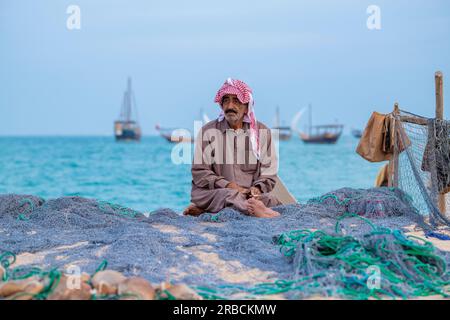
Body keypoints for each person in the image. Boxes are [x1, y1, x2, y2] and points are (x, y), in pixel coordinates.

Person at [183, 78, 281, 218]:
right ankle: (253, 210)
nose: (230, 106)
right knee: (229, 196)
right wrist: (229, 185)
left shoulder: (262, 132)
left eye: (236, 101)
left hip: (250, 195)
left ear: (247, 106)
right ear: (221, 105)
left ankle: (208, 210)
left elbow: (269, 172)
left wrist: (257, 189)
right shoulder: (207, 131)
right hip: (217, 192)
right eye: (226, 100)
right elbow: (200, 172)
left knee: (270, 200)